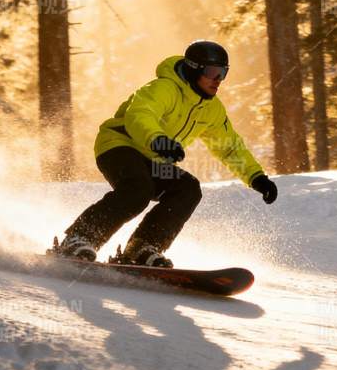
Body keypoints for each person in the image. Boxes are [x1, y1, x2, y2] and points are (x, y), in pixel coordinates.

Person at [53, 40, 279, 269]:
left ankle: (143, 247)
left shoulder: (211, 109)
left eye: (223, 73)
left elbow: (229, 147)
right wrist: (157, 139)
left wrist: (256, 177)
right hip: (119, 145)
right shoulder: (164, 88)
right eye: (213, 72)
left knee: (187, 189)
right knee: (137, 190)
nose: (218, 79)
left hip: (153, 159)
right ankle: (80, 238)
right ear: (194, 69)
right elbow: (140, 115)